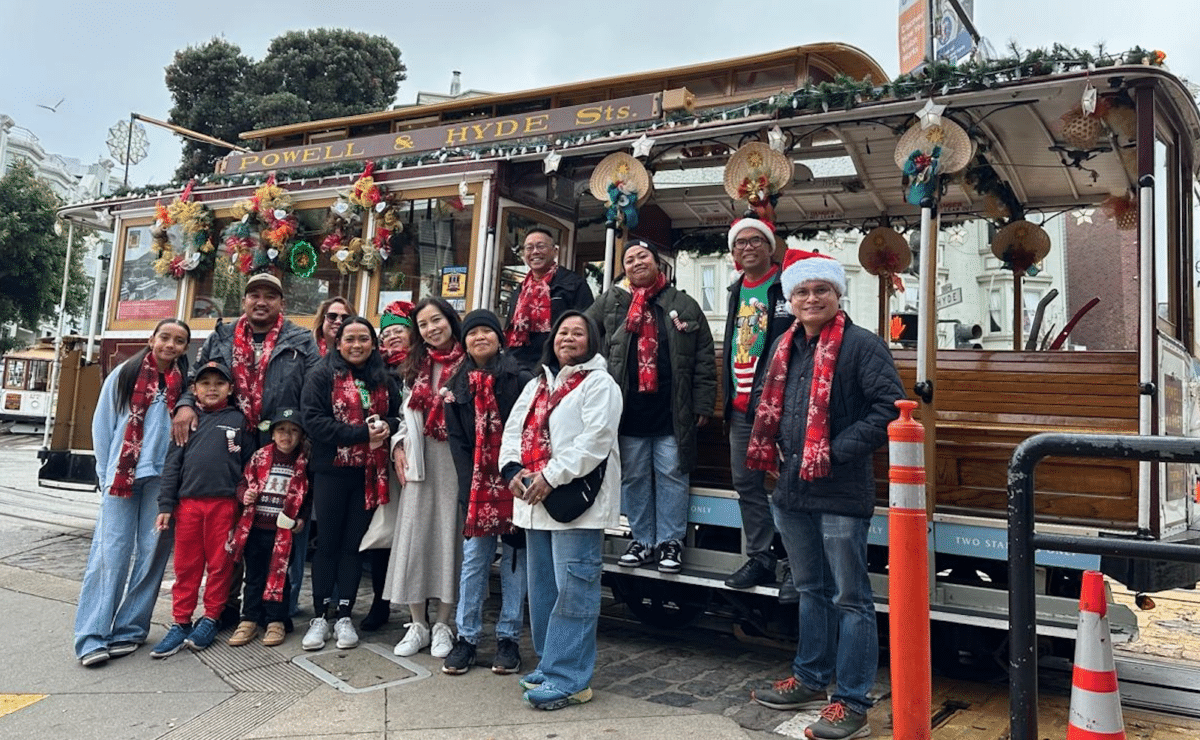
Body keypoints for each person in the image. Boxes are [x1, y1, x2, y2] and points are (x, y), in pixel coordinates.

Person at [747, 249, 903, 740]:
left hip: (839, 490)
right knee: (809, 588)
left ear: (837, 295)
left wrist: (830, 452)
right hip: (790, 490)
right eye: (802, 291)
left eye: (821, 290)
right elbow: (766, 407)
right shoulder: (782, 347)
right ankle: (811, 678)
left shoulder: (861, 345)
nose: (811, 298)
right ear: (790, 300)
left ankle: (852, 702)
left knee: (850, 598)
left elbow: (887, 410)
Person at [173, 271, 319, 627]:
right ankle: (226, 606)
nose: (261, 301)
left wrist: (304, 441)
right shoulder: (221, 336)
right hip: (231, 438)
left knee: (283, 524)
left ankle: (278, 609)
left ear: (281, 303)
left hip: (278, 441)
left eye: (270, 295)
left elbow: (313, 389)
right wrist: (186, 403)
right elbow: (197, 375)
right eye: (255, 294)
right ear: (245, 300)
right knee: (232, 520)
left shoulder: (300, 339)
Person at [499, 310, 621, 710]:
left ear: (592, 342)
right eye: (562, 332)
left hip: (573, 503)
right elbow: (513, 431)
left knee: (575, 591)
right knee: (545, 590)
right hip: (535, 502)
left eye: (578, 333)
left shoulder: (600, 384)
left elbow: (595, 441)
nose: (568, 338)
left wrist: (550, 476)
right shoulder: (537, 384)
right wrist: (513, 470)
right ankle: (551, 664)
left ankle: (571, 679)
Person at [587, 240, 715, 574]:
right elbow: (582, 333)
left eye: (643, 256)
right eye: (629, 259)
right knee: (635, 476)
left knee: (672, 473)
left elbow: (703, 356)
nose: (636, 262)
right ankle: (642, 539)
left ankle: (671, 542)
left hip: (672, 409)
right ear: (624, 269)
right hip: (628, 410)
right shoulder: (612, 302)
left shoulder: (683, 305)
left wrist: (702, 402)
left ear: (659, 264)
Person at [74, 319, 191, 667]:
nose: (170, 345)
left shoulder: (183, 385)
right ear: (152, 338)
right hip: (121, 477)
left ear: (185, 348)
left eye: (179, 341)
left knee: (154, 552)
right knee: (110, 553)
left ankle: (130, 628)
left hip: (162, 479)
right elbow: (102, 425)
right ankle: (92, 635)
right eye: (165, 337)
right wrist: (105, 473)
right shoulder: (125, 375)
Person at [300, 317, 401, 651]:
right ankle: (319, 616)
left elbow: (399, 415)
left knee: (354, 546)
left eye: (363, 339)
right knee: (327, 543)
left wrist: (386, 425)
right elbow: (314, 422)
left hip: (368, 474)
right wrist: (360, 434)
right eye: (350, 339)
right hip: (332, 470)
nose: (356, 345)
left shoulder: (383, 378)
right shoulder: (321, 375)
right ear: (338, 343)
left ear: (373, 343)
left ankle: (344, 614)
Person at [442, 309, 533, 676]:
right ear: (464, 342)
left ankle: (509, 638)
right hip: (477, 486)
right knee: (474, 561)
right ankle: (467, 638)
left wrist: (518, 476)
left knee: (514, 563)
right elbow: (457, 442)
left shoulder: (520, 379)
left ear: (499, 337)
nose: (480, 337)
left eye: (487, 331)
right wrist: (470, 487)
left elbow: (529, 431)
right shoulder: (456, 386)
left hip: (514, 480)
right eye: (473, 333)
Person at [151, 359, 252, 657]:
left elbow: (248, 464)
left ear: (230, 389)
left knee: (220, 565)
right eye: (205, 383)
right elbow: (172, 465)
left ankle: (210, 618)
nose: (212, 389)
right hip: (189, 506)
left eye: (219, 383)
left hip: (224, 506)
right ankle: (181, 621)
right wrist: (166, 505)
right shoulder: (188, 419)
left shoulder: (239, 421)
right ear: (194, 389)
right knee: (186, 566)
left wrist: (243, 496)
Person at [385, 298, 466, 660]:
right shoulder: (415, 368)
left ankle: (444, 623)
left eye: (437, 320)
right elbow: (404, 418)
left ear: (450, 320)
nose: (432, 328)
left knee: (449, 537)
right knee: (416, 537)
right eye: (423, 324)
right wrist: (398, 444)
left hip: (455, 460)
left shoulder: (468, 363)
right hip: (421, 459)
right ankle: (417, 623)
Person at [721, 218, 795, 592]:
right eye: (740, 243)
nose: (747, 247)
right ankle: (762, 557)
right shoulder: (735, 291)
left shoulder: (789, 286)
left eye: (755, 241)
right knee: (746, 484)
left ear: (770, 247)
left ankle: (797, 564)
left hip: (782, 406)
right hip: (740, 408)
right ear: (734, 253)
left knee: (790, 485)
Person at [226, 408, 309, 648]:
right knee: (254, 576)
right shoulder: (259, 457)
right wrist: (245, 495)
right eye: (281, 430)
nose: (287, 436)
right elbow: (243, 483)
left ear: (301, 436)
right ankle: (249, 618)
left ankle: (276, 620)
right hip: (256, 529)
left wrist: (301, 519)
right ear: (272, 434)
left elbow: (307, 496)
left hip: (282, 533)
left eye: (293, 431)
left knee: (279, 576)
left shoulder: (302, 464)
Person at [358, 300, 415, 632]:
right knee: (385, 533)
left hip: (420, 461)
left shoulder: (422, 367)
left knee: (416, 536)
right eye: (388, 333)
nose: (393, 338)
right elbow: (367, 404)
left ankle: (416, 611)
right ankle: (380, 602)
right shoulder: (375, 370)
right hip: (385, 461)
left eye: (399, 331)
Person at [504, 227, 594, 371]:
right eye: (529, 248)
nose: (535, 252)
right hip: (519, 367)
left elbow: (588, 327)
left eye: (540, 246)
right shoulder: (520, 290)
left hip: (557, 365)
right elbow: (510, 329)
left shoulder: (574, 284)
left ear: (555, 251)